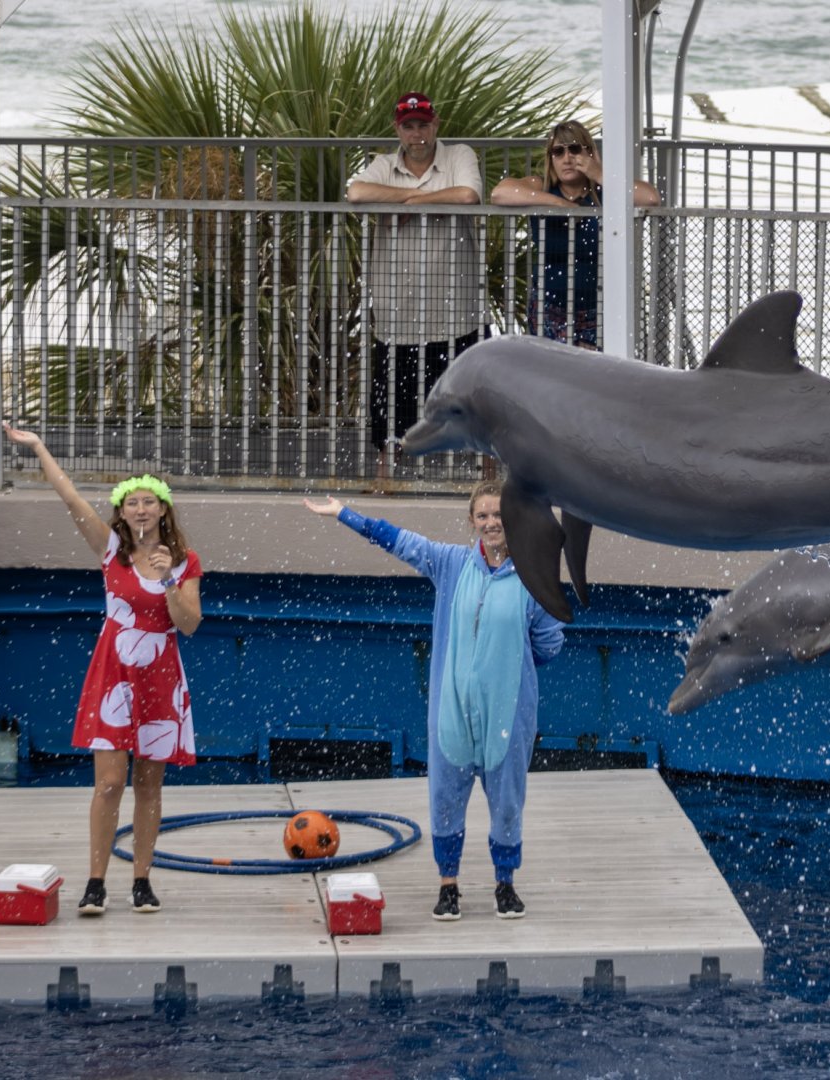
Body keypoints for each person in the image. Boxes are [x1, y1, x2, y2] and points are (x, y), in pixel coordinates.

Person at [303, 481, 564, 919]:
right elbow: (399, 541)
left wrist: (507, 666)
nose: (492, 523)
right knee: (446, 797)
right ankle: (449, 885)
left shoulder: (534, 577)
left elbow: (550, 642)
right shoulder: (450, 563)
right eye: (482, 516)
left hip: (507, 714)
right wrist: (344, 513)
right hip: (452, 711)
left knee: (507, 801)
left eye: (499, 515)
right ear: (471, 522)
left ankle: (505, 884)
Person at [2, 422, 203, 917]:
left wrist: (168, 580)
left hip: (160, 677)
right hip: (115, 674)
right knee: (110, 781)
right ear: (122, 510)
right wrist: (39, 447)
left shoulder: (184, 561)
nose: (140, 509)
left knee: (149, 784)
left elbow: (189, 624)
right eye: (131, 502)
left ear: (163, 509)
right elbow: (70, 498)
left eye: (148, 501)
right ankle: (96, 882)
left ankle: (142, 880)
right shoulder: (111, 552)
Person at [346, 93, 484, 479]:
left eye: (423, 124)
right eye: (409, 126)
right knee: (391, 400)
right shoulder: (383, 164)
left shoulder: (459, 155)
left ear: (435, 124)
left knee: (473, 395)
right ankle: (385, 477)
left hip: (456, 309)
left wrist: (407, 204)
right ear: (398, 129)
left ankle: (487, 479)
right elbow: (357, 192)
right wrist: (423, 199)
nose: (417, 133)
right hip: (398, 311)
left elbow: (468, 195)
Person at [489, 120, 660, 348]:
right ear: (550, 158)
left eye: (575, 149)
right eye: (558, 152)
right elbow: (500, 193)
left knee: (595, 377)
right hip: (549, 309)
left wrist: (599, 174)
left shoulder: (607, 190)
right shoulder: (541, 187)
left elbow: (650, 198)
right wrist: (559, 205)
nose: (567, 158)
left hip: (599, 307)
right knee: (553, 377)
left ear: (589, 153)